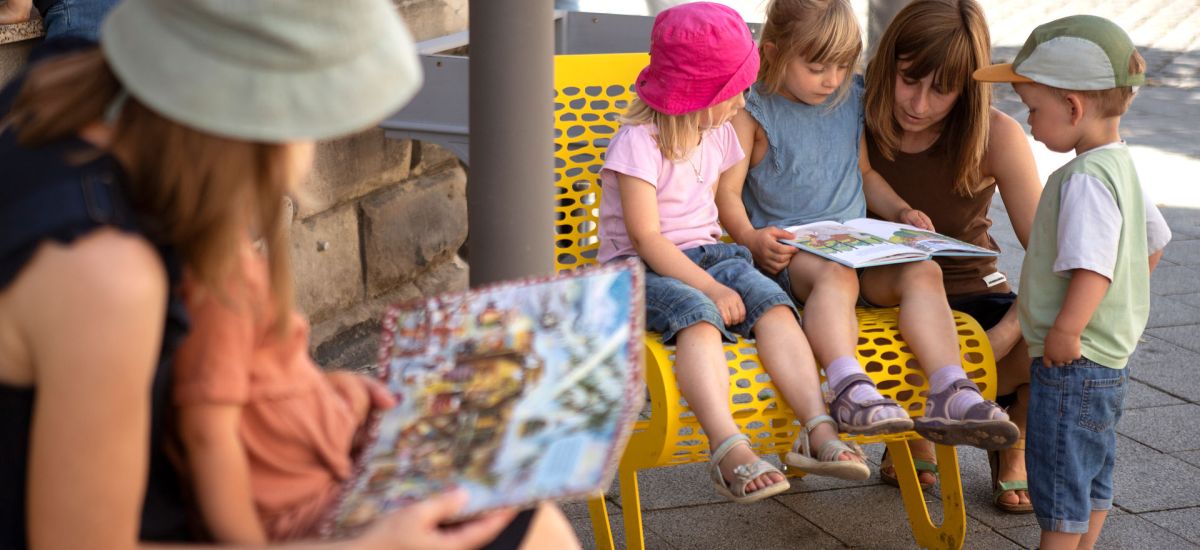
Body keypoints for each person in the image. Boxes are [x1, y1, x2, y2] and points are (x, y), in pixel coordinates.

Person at [0, 0, 576, 548]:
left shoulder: (61, 94)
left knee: (518, 515)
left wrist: (317, 403)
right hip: (208, 520)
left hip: (199, 497)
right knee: (518, 522)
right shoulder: (104, 275)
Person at [599, 2, 871, 504]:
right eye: (734, 91)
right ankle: (728, 448)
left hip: (710, 256)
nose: (743, 100)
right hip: (637, 270)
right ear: (697, 93)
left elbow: (720, 205)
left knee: (775, 308)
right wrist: (711, 287)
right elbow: (647, 239)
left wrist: (745, 246)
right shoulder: (636, 144)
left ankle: (817, 428)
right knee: (700, 317)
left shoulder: (719, 130)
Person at [716, 0, 1018, 451]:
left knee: (923, 269)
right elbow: (726, 192)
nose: (832, 79)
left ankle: (950, 390)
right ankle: (847, 389)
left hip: (854, 247)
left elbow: (865, 173)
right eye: (817, 67)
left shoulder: (848, 98)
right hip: (791, 257)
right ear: (775, 53)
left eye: (843, 66)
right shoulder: (752, 110)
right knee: (835, 274)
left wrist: (900, 212)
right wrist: (750, 239)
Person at [975, 15, 1170, 549]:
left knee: (1060, 484)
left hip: (1072, 362)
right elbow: (1154, 241)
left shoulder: (1083, 180)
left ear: (1073, 107)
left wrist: (1069, 327)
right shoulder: (1121, 165)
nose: (1028, 121)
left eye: (1033, 109)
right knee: (1091, 473)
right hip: (1108, 358)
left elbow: (1093, 267)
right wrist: (1117, 305)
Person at [860, 0, 1043, 512]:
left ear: (969, 88)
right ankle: (915, 431)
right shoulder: (854, 114)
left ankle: (1016, 438)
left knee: (1063, 338)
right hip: (882, 293)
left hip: (972, 290)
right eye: (908, 79)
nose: (919, 104)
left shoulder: (995, 134)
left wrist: (1008, 331)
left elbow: (1051, 251)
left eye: (942, 90)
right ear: (887, 64)